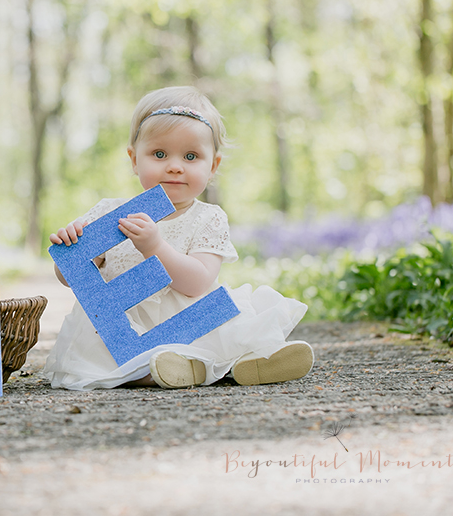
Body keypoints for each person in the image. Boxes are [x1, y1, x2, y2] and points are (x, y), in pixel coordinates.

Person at [44, 86, 313, 390]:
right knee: (109, 364)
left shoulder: (207, 218)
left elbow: (196, 283)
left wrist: (155, 246)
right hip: (123, 328)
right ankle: (184, 370)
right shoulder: (111, 213)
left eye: (191, 156)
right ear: (134, 159)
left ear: (213, 166)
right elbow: (71, 278)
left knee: (232, 334)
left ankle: (249, 362)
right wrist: (72, 248)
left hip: (190, 320)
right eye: (159, 154)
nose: (174, 165)